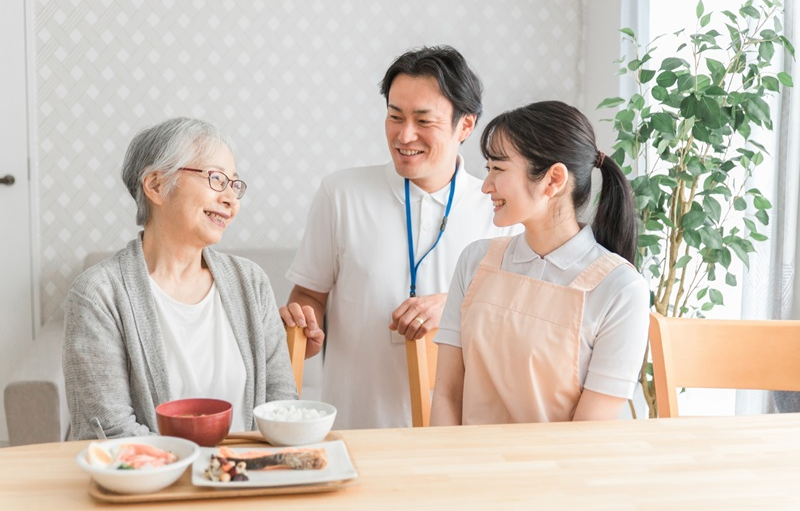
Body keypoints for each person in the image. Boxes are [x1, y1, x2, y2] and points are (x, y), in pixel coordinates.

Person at [280, 45, 515, 429]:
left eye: (424, 120)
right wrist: (304, 324)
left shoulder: (500, 208)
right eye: (395, 116)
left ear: (466, 126)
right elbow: (308, 296)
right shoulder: (340, 194)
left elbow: (520, 323)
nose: (405, 135)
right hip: (357, 426)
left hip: (463, 434)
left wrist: (456, 305)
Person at [63, 117, 297, 440]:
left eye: (235, 184)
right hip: (152, 485)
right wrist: (203, 473)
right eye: (216, 179)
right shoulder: (99, 295)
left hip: (246, 480)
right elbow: (109, 431)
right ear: (156, 186)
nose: (232, 199)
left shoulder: (251, 283)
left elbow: (282, 408)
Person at [430, 100, 650, 426]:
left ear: (553, 179)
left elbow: (589, 431)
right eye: (487, 168)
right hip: (469, 467)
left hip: (560, 473)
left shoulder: (621, 289)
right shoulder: (475, 261)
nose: (486, 185)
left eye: (498, 169)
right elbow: (448, 394)